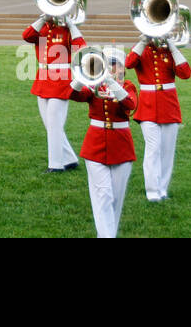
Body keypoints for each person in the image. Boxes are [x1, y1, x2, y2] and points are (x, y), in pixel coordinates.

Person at [70, 48, 138, 238]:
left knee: (116, 198)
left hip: (121, 145)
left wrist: (109, 80)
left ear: (123, 68)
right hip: (95, 144)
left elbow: (130, 105)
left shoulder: (129, 86)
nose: (110, 67)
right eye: (106, 63)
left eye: (114, 63)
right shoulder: (93, 87)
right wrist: (82, 75)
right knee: (103, 195)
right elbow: (73, 95)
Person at [126, 32, 191, 202]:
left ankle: (163, 188)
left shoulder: (169, 52)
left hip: (169, 106)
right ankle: (152, 190)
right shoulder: (143, 50)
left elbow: (185, 73)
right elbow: (129, 62)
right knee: (153, 149)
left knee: (167, 151)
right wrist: (143, 41)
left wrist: (172, 46)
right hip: (148, 107)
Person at [23, 7, 85, 172]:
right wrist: (43, 18)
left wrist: (71, 26)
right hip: (43, 77)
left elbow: (81, 48)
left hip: (61, 78)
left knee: (54, 124)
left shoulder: (66, 30)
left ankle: (56, 165)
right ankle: (70, 158)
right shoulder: (42, 28)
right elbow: (27, 36)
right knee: (50, 124)